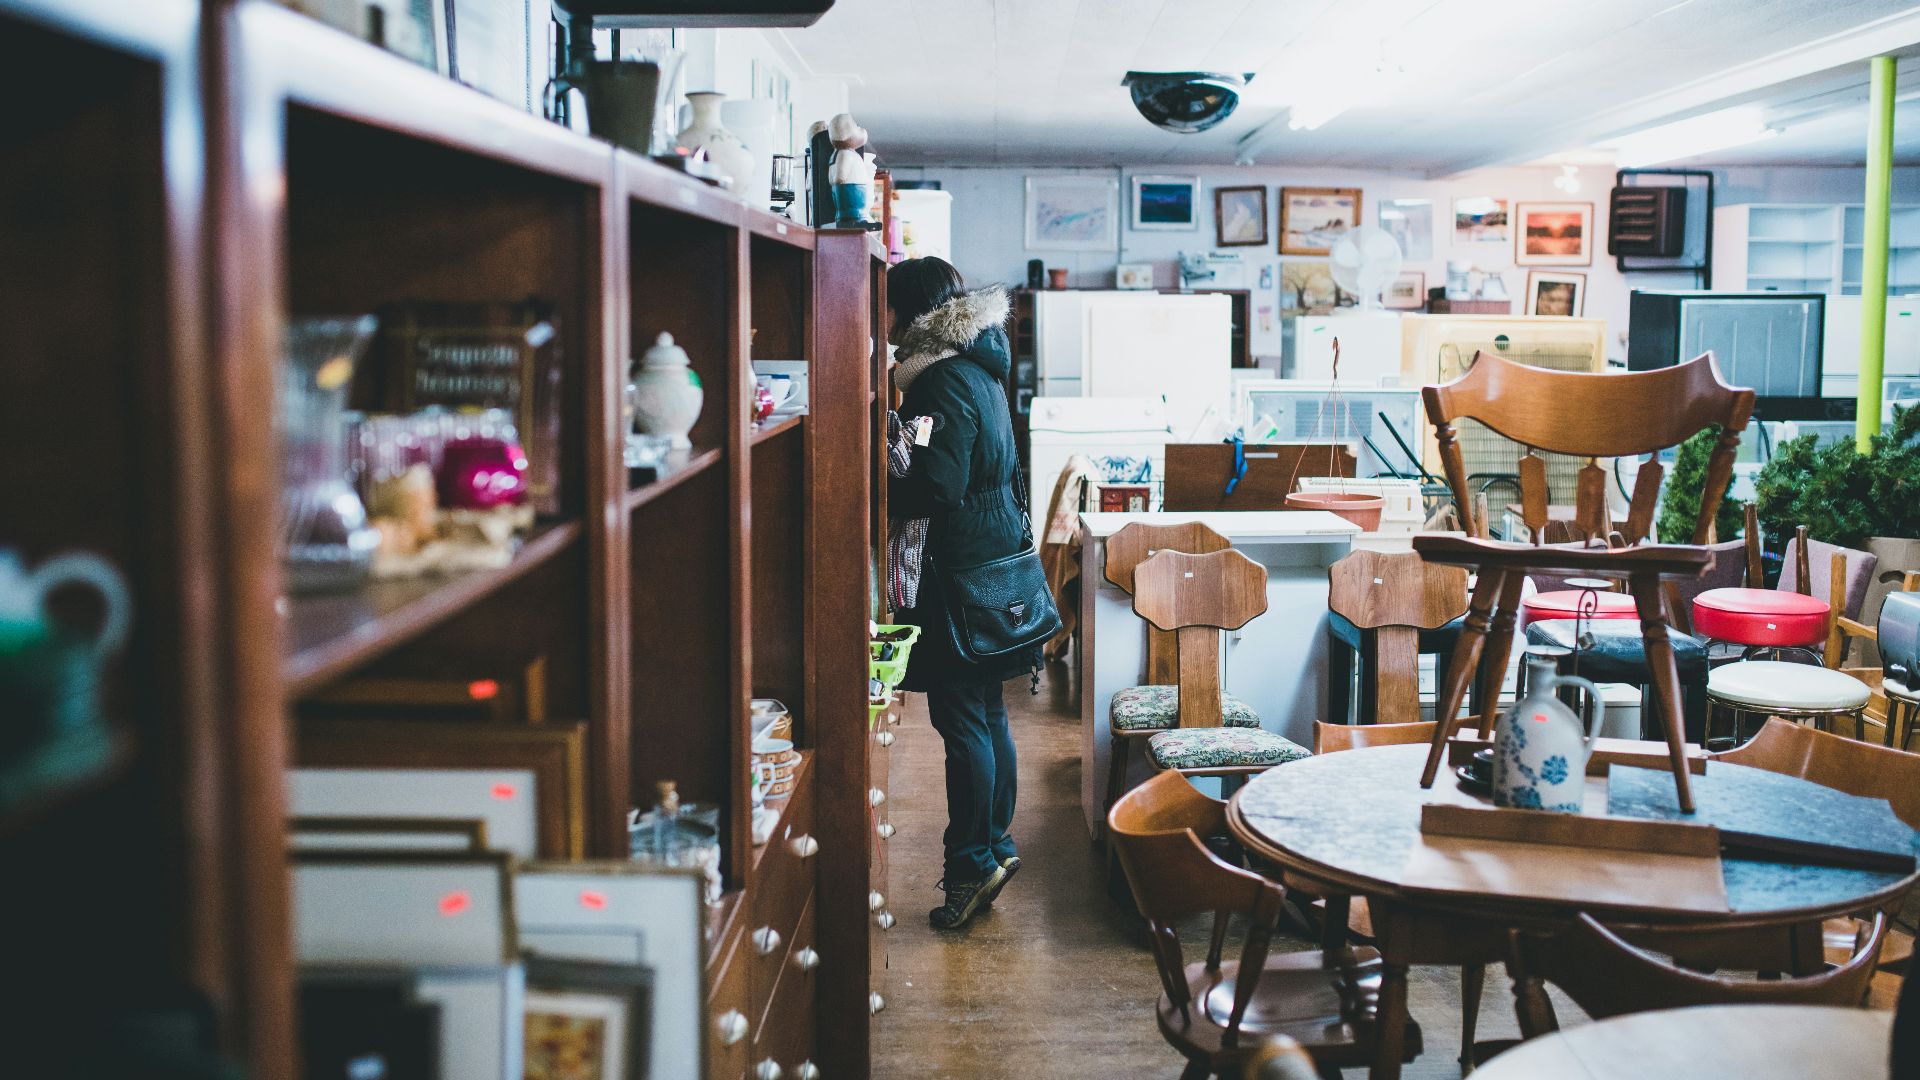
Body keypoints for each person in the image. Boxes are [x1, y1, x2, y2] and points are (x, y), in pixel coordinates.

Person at [886, 257, 1035, 930]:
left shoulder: (936, 380)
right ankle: (996, 845)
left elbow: (936, 486)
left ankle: (971, 864)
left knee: (963, 720)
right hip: (996, 561)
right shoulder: (980, 367)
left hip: (958, 571)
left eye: (886, 310)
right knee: (988, 713)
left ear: (908, 313)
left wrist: (879, 478)